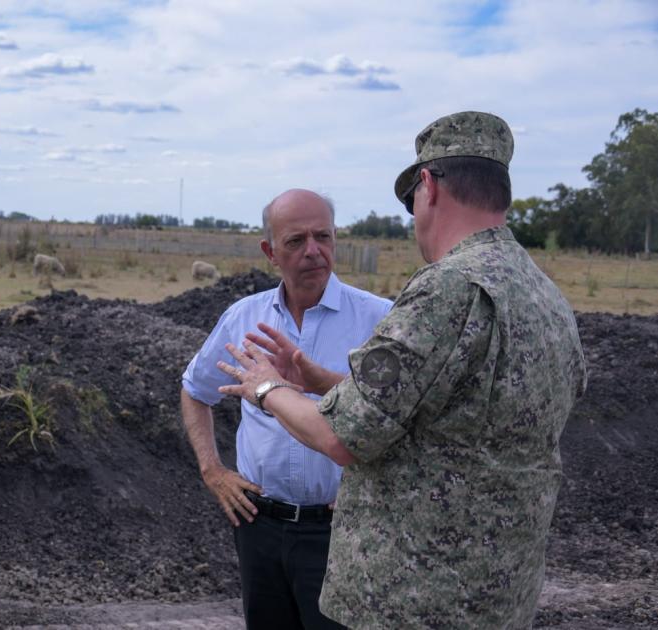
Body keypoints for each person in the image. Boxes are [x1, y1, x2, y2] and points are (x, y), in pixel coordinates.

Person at [217, 111, 588, 628]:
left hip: (414, 597)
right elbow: (449, 410)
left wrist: (266, 387)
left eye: (412, 197)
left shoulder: (447, 288)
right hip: (499, 595)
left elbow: (340, 438)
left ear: (429, 186)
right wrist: (321, 381)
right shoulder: (544, 295)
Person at [181, 189, 391, 629]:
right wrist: (212, 472)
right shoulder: (244, 317)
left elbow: (408, 420)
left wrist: (379, 491)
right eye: (296, 241)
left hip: (343, 534)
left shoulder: (379, 320)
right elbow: (195, 390)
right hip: (259, 526)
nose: (313, 251)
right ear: (270, 252)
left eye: (323, 237)